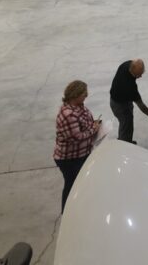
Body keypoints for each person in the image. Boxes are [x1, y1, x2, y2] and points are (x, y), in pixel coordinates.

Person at [54, 80, 100, 212]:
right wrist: (94, 130)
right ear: (75, 95)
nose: (87, 95)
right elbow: (76, 137)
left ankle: (79, 209)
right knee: (72, 185)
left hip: (81, 155)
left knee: (80, 185)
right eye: (84, 93)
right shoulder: (68, 114)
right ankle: (68, 213)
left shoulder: (79, 106)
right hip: (69, 159)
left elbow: (85, 122)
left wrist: (94, 124)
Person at [110, 58, 148, 143]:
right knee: (126, 124)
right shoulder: (130, 87)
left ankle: (127, 140)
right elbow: (141, 105)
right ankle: (124, 144)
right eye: (139, 74)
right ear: (132, 71)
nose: (141, 76)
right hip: (119, 106)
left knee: (127, 123)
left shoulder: (126, 64)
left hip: (120, 98)